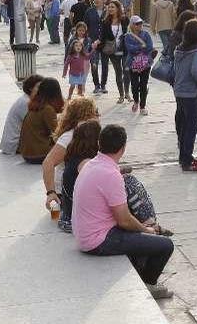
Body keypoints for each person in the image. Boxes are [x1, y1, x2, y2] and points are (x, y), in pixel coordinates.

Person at [72, 124, 175, 300]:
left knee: (140, 232)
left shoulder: (90, 164)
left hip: (84, 233)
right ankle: (149, 283)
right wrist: (147, 230)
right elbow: (123, 220)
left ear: (99, 144)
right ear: (123, 148)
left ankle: (141, 272)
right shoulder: (111, 174)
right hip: (98, 240)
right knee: (165, 245)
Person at [41, 97, 100, 231]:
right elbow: (48, 163)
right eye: (95, 112)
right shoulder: (69, 137)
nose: (98, 115)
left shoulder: (90, 133)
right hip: (68, 191)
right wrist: (51, 192)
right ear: (87, 114)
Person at [174, 19, 197, 172]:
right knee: (192, 126)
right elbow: (195, 71)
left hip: (179, 90)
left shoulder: (179, 49)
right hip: (190, 92)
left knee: (183, 124)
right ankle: (186, 160)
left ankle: (183, 156)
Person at [19, 78, 65, 164]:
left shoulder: (36, 104)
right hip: (39, 154)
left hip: (27, 154)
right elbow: (57, 132)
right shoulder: (47, 109)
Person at [0, 74, 44, 155]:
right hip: (14, 144)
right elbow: (37, 126)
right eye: (39, 87)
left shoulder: (27, 99)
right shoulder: (25, 102)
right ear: (30, 88)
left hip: (14, 142)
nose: (42, 89)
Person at [96, 0, 130, 102]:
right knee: (118, 72)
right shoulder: (105, 21)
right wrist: (97, 43)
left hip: (124, 49)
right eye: (109, 7)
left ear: (118, 8)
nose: (110, 9)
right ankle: (121, 95)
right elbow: (102, 36)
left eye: (113, 7)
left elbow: (129, 32)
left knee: (126, 71)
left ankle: (127, 93)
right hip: (112, 50)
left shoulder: (124, 20)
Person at [124, 15, 154, 115]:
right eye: (137, 23)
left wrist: (138, 48)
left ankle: (142, 106)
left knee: (144, 84)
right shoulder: (128, 36)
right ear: (132, 25)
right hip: (133, 63)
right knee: (135, 84)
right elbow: (129, 48)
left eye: (141, 23)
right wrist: (141, 46)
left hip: (145, 63)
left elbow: (149, 47)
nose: (140, 25)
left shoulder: (146, 34)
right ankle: (136, 100)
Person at [84, 0, 106, 94]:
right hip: (93, 42)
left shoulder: (108, 11)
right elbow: (85, 26)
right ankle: (96, 85)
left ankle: (103, 85)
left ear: (103, 0)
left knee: (105, 65)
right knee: (94, 64)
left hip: (105, 42)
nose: (96, 0)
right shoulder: (89, 11)